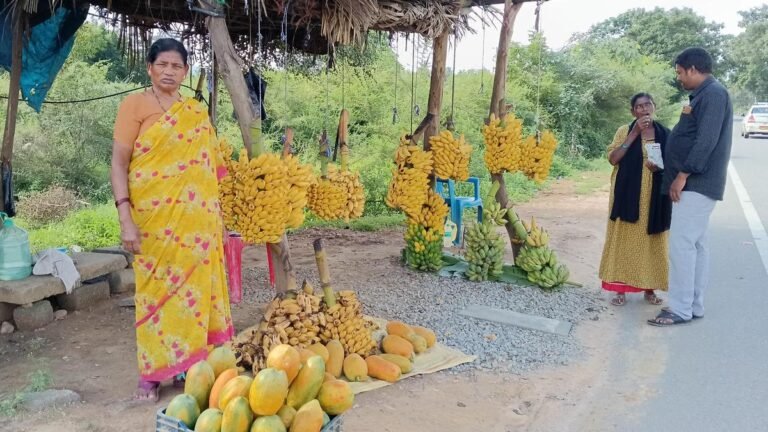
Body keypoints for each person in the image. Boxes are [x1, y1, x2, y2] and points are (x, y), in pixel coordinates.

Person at [111, 38, 234, 401]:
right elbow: (119, 162)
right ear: (149, 68)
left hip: (198, 228)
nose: (169, 71)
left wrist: (221, 221)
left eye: (176, 66)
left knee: (195, 296)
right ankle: (152, 373)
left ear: (185, 71)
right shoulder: (134, 105)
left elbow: (211, 170)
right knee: (155, 294)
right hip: (153, 223)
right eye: (162, 64)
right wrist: (125, 216)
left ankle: (189, 367)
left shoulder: (195, 112)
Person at [648, 47, 732, 326]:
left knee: (682, 245)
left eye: (680, 73)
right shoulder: (703, 95)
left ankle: (680, 308)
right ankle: (693, 305)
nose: (679, 78)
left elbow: (706, 140)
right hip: (695, 182)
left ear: (693, 69)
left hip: (696, 182)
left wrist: (683, 174)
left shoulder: (714, 94)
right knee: (696, 245)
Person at [599, 93, 672, 307]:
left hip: (654, 198)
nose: (643, 109)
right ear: (633, 112)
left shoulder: (665, 134)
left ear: (654, 107)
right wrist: (633, 135)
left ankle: (649, 289)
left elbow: (672, 163)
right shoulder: (624, 130)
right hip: (627, 196)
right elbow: (613, 159)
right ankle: (620, 289)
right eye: (638, 107)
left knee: (651, 241)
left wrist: (659, 168)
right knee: (624, 241)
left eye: (647, 104)